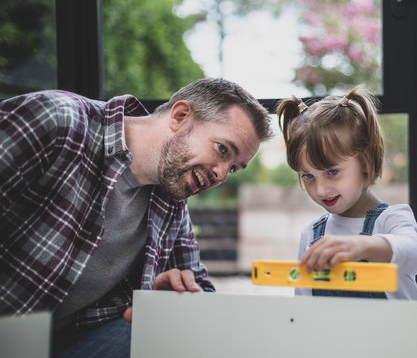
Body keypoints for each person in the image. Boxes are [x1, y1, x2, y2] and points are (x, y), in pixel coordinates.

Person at [0, 78, 272, 357]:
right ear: (180, 116)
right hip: (8, 333)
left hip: (68, 338)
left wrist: (176, 296)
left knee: (162, 335)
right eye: (222, 150)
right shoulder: (57, 119)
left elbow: (200, 295)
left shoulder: (171, 200)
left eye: (234, 168)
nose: (222, 175)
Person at [277, 85, 417, 300]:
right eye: (308, 176)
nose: (321, 189)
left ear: (364, 161)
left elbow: (414, 253)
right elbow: (303, 305)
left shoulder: (392, 219)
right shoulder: (311, 234)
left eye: (332, 172)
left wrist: (361, 245)